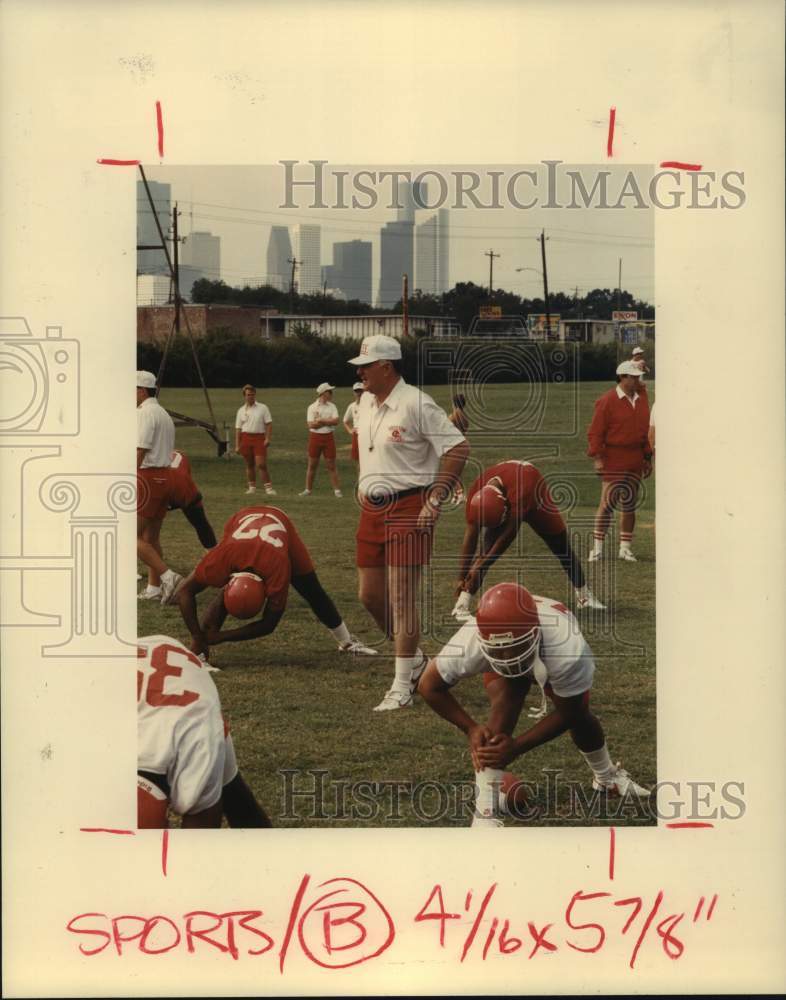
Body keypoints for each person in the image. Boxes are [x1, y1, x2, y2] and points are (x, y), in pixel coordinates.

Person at [418, 582, 650, 828]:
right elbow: (428, 686)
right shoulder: (470, 640)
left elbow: (571, 712)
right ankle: (485, 813)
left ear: (536, 630)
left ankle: (606, 777)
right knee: (503, 705)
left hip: (544, 654)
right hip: (523, 645)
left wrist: (517, 747)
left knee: (581, 718)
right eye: (500, 650)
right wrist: (471, 728)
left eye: (513, 649)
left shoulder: (566, 646)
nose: (508, 658)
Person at [348, 334, 470, 711]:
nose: (361, 373)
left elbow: (457, 447)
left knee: (402, 598)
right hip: (372, 509)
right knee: (369, 596)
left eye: (366, 366)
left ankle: (402, 685)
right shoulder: (365, 403)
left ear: (387, 366)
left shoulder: (416, 402)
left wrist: (434, 499)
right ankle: (415, 660)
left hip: (409, 505)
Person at [174, 504, 377, 661]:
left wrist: (224, 636)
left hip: (280, 523)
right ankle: (198, 652)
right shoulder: (222, 558)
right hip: (241, 520)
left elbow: (269, 625)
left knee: (312, 591)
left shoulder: (278, 568)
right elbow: (184, 592)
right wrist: (198, 635)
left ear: (266, 591)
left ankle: (347, 642)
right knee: (220, 599)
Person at [137, 634, 271, 828]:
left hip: (187, 693)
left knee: (236, 804)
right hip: (147, 665)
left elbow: (197, 847)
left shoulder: (198, 748)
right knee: (240, 804)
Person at [451, 460, 604, 621]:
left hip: (536, 499)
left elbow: (507, 536)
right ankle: (461, 605)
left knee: (561, 547)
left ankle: (584, 596)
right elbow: (470, 537)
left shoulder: (523, 488)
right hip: (511, 492)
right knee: (483, 554)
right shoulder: (477, 494)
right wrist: (462, 575)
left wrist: (484, 562)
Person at [587, 361, 652, 563]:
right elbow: (595, 433)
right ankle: (597, 549)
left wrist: (647, 457)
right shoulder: (606, 401)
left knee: (629, 504)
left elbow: (644, 432)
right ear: (622, 377)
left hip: (635, 457)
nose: (636, 380)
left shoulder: (641, 399)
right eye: (632, 377)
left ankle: (625, 548)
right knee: (607, 504)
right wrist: (598, 458)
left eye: (637, 377)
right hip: (614, 457)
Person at [136, 370, 183, 603]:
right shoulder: (162, 413)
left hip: (147, 478)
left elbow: (140, 449)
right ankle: (154, 588)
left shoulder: (145, 414)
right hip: (165, 477)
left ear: (142, 391)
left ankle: (168, 576)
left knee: (128, 535)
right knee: (151, 537)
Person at [168, 449, 217, 549]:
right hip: (179, 486)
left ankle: (214, 553)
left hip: (182, 489)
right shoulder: (178, 456)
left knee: (200, 522)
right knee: (201, 523)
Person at [301, 383, 342, 498]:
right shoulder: (312, 407)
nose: (331, 394)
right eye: (329, 391)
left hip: (328, 437)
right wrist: (326, 422)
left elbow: (336, 421)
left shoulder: (332, 406)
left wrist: (321, 421)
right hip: (315, 438)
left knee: (331, 466)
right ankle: (308, 490)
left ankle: (337, 491)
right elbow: (310, 425)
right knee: (312, 465)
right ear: (323, 393)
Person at [235, 384, 275, 496]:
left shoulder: (263, 408)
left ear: (255, 395)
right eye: (248, 395)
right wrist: (237, 445)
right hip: (245, 438)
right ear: (244, 396)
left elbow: (269, 424)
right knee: (249, 464)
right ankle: (252, 487)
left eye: (252, 394)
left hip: (259, 438)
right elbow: (238, 429)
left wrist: (267, 438)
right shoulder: (240, 410)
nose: (250, 397)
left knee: (261, 464)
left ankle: (269, 488)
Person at [343, 382, 365, 464]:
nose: (359, 393)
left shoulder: (371, 405)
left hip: (367, 434)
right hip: (356, 435)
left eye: (361, 391)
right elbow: (345, 421)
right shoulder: (352, 406)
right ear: (354, 393)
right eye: (357, 391)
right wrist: (350, 430)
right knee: (358, 461)